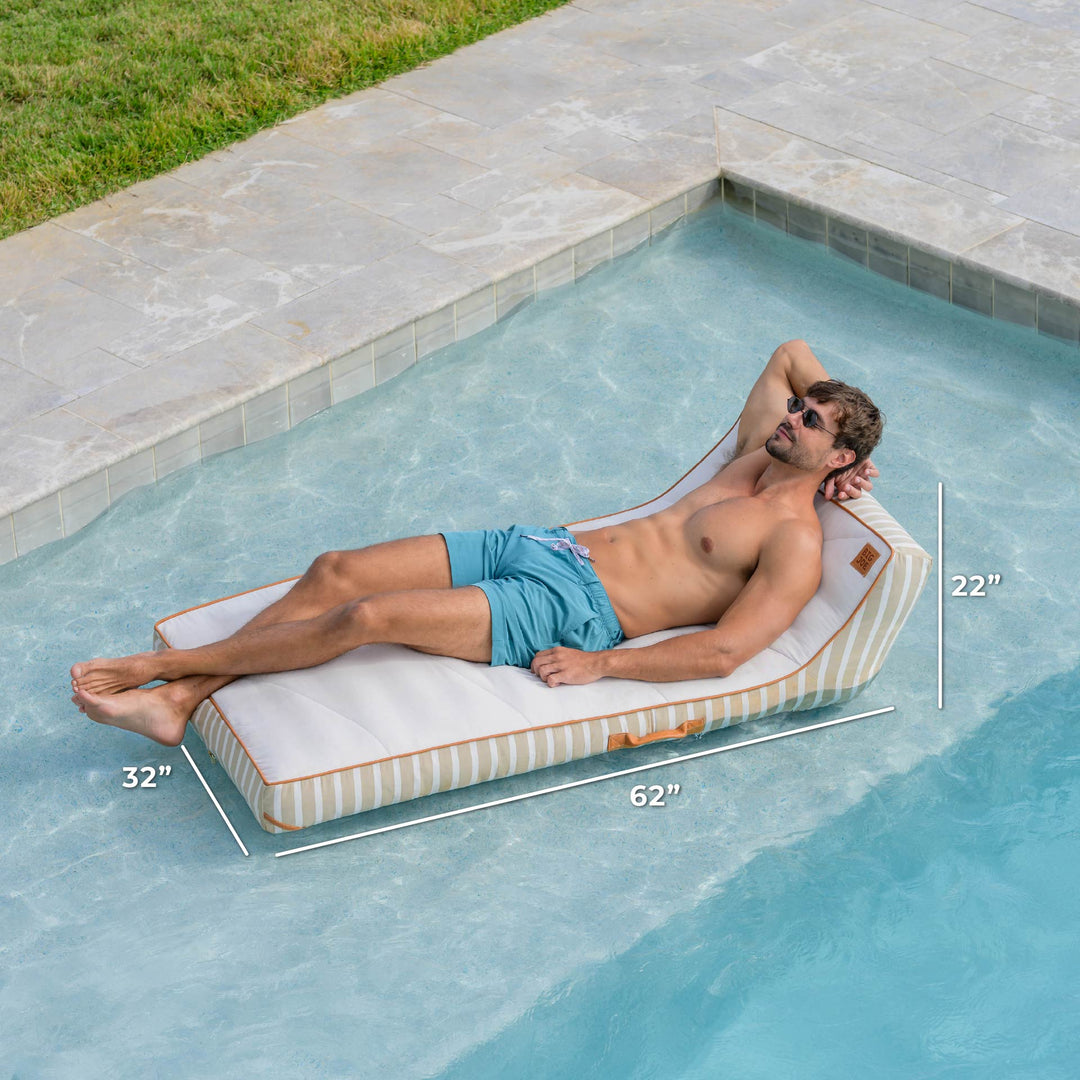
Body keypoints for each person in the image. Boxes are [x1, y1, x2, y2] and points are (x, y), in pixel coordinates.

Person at [70, 339, 882, 747]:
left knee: (365, 614)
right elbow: (789, 351)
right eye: (799, 409)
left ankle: (158, 675)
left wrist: (603, 665)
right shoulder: (755, 449)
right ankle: (178, 706)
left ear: (836, 458)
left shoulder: (795, 542)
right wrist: (853, 444)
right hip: (544, 546)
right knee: (334, 569)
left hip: (569, 607)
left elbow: (722, 655)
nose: (792, 417)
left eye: (812, 423)